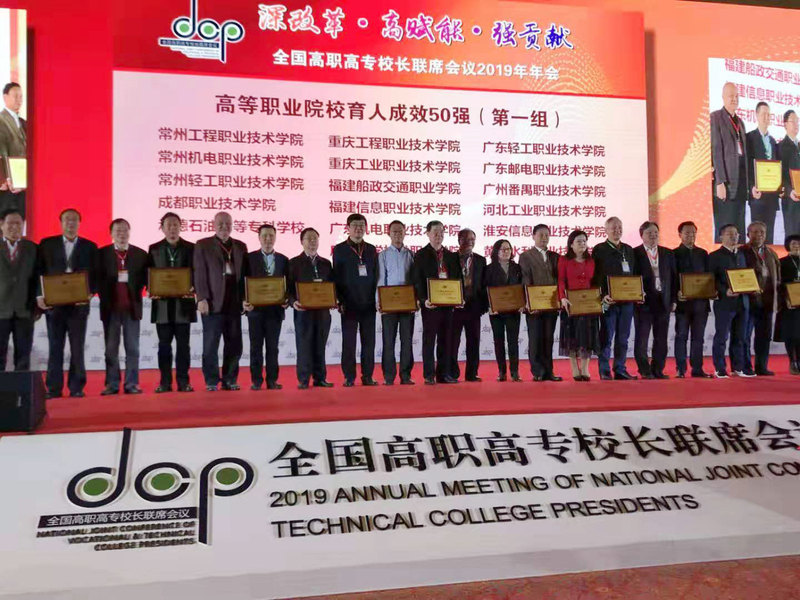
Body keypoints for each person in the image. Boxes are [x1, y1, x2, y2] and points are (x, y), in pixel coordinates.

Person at [36, 209, 98, 399]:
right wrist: (40, 296)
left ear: (80, 223)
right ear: (61, 223)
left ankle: (76, 387)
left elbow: (97, 274)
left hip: (79, 305)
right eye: (67, 220)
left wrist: (90, 292)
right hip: (54, 305)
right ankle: (53, 388)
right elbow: (38, 271)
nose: (71, 223)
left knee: (77, 347)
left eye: (74, 220)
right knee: (55, 347)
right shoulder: (47, 244)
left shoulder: (90, 246)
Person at [194, 211, 248, 391]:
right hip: (212, 302)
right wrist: (201, 298)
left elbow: (245, 276)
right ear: (213, 225)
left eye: (228, 223)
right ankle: (211, 380)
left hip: (234, 303)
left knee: (234, 344)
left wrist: (246, 299)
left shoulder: (240, 246)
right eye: (221, 223)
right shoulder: (203, 245)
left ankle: (229, 379)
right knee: (210, 345)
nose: (224, 227)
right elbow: (199, 273)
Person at [97, 219, 148, 395]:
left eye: (125, 230)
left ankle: (131, 383)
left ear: (129, 232)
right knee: (111, 349)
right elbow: (95, 279)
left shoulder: (140, 255)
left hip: (132, 309)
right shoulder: (101, 254)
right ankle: (112, 384)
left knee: (133, 349)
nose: (122, 234)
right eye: (118, 231)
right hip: (110, 309)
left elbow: (149, 279)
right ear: (111, 233)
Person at [148, 212, 196, 393]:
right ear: (162, 228)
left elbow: (197, 272)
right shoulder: (154, 249)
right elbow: (149, 274)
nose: (172, 228)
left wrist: (194, 286)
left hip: (184, 305)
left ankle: (183, 382)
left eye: (175, 225)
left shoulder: (191, 248)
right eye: (168, 225)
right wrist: (151, 288)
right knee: (164, 346)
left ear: (180, 226)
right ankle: (165, 382)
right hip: (162, 306)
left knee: (184, 347)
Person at [333, 214, 379, 387]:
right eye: (355, 225)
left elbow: (376, 276)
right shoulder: (339, 250)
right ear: (348, 228)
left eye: (362, 225)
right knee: (349, 343)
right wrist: (340, 300)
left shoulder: (371, 249)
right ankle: (349, 376)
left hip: (368, 303)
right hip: (349, 304)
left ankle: (368, 376)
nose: (358, 228)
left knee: (369, 343)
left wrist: (377, 299)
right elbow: (337, 276)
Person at [414, 220, 460, 385]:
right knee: (429, 340)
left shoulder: (451, 255)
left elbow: (457, 279)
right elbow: (417, 280)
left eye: (441, 232)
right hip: (430, 305)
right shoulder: (420, 255)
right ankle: (429, 374)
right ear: (427, 233)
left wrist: (458, 297)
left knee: (445, 339)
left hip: (448, 304)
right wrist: (423, 300)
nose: (438, 235)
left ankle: (443, 374)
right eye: (435, 232)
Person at [287, 227, 335, 389]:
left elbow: (332, 285)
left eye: (315, 238)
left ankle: (320, 378)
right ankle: (303, 378)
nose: (313, 241)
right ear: (302, 242)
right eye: (309, 238)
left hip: (322, 311)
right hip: (303, 311)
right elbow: (288, 288)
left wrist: (334, 299)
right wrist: (293, 302)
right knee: (304, 345)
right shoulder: (294, 263)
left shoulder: (326, 263)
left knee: (320, 345)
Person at [243, 224, 288, 390]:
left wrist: (287, 299)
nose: (268, 239)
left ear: (275, 238)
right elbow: (242, 282)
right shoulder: (249, 258)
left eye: (271, 236)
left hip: (275, 311)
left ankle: (272, 380)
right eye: (264, 236)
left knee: (272, 348)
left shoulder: (283, 259)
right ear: (259, 238)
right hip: (255, 310)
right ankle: (256, 380)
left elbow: (288, 284)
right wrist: (244, 301)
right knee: (255, 347)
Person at [592, 216, 638, 380]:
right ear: (606, 230)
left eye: (619, 227)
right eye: (613, 228)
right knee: (606, 336)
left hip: (627, 301)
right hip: (608, 301)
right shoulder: (599, 249)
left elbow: (634, 274)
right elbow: (596, 276)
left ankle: (620, 368)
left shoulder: (628, 249)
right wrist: (602, 294)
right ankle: (604, 369)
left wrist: (637, 292)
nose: (617, 230)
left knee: (623, 338)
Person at [708, 224, 754, 379]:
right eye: (729, 234)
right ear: (721, 236)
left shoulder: (742, 254)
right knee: (722, 337)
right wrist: (724, 290)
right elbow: (711, 279)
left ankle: (737, 367)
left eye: (736, 233)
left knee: (740, 337)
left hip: (743, 302)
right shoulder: (714, 256)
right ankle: (720, 368)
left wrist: (751, 286)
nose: (734, 236)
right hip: (725, 303)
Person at [632, 222, 676, 379]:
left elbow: (674, 277)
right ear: (641, 235)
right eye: (649, 233)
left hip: (663, 301)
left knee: (661, 338)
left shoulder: (668, 253)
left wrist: (673, 299)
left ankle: (658, 369)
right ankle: (644, 370)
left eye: (655, 232)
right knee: (642, 338)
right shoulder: (634, 253)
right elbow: (631, 277)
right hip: (643, 302)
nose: (653, 235)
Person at [519, 224, 562, 382]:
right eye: (541, 235)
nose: (544, 238)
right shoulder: (526, 256)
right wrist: (529, 302)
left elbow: (559, 279)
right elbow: (525, 279)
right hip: (534, 305)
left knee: (548, 339)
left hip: (551, 304)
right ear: (533, 236)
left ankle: (549, 371)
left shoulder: (555, 256)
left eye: (546, 235)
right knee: (535, 338)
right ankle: (537, 371)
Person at [376, 220, 415, 386]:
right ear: (389, 234)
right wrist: (380, 301)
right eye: (394, 231)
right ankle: (389, 376)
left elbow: (414, 280)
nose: (398, 234)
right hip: (389, 305)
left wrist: (415, 300)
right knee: (388, 341)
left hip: (407, 305)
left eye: (400, 231)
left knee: (407, 341)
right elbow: (380, 280)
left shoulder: (411, 255)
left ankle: (405, 375)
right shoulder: (383, 255)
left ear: (405, 233)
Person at [558, 230, 600, 381]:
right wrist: (562, 298)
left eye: (584, 241)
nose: (582, 244)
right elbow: (561, 280)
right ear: (571, 244)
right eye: (578, 241)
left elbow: (595, 281)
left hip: (588, 304)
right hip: (570, 304)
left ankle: (585, 368)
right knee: (572, 337)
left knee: (587, 337)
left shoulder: (591, 260)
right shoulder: (564, 260)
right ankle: (574, 368)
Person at [673, 221, 712, 378]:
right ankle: (680, 369)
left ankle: (697, 369)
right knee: (681, 336)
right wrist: (676, 293)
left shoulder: (703, 253)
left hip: (701, 304)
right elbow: (670, 278)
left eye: (693, 232)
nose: (691, 235)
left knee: (698, 338)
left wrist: (711, 291)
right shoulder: (673, 254)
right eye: (687, 232)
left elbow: (709, 277)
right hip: (683, 303)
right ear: (680, 235)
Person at [711, 82, 749, 242]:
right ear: (723, 97)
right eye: (730, 96)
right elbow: (716, 150)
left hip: (740, 184)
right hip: (725, 185)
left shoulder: (740, 122)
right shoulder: (715, 117)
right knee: (725, 229)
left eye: (736, 96)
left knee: (739, 229)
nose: (734, 99)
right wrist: (719, 182)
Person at [741, 221, 780, 376]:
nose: (759, 235)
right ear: (748, 234)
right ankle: (745, 367)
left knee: (764, 336)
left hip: (767, 301)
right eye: (755, 232)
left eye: (762, 232)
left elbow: (778, 277)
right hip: (748, 301)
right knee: (745, 336)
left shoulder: (771, 253)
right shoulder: (742, 251)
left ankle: (761, 366)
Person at [0, 209, 36, 371]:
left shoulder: (33, 248)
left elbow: (38, 278)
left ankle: (22, 387)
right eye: (10, 223)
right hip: (1, 309)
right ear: (1, 225)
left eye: (18, 223)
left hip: (25, 310)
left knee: (23, 356)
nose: (14, 227)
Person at [449, 228, 487, 382]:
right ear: (459, 240)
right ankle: (452, 373)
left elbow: (483, 285)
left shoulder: (481, 260)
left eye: (472, 239)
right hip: (455, 306)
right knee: (453, 342)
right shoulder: (450, 258)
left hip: (473, 306)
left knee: (474, 341)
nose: (470, 242)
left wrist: (483, 306)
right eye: (466, 239)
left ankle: (472, 373)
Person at [484, 239, 523, 382]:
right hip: (496, 312)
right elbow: (484, 289)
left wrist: (522, 303)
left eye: (508, 249)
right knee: (498, 341)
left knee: (513, 342)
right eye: (502, 249)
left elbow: (522, 287)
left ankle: (515, 372)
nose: (506, 252)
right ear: (496, 251)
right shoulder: (489, 269)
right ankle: (502, 371)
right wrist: (489, 306)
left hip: (513, 310)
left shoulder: (517, 268)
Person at [746, 102, 780, 244]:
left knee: (769, 235)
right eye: (763, 114)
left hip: (772, 196)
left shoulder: (773, 141)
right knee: (756, 234)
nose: (766, 117)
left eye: (768, 114)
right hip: (757, 195)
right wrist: (751, 187)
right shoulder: (749, 138)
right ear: (756, 115)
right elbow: (746, 166)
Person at [774, 234, 800, 375]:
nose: (797, 246)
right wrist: (786, 299)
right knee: (791, 334)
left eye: (799, 244)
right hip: (788, 304)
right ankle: (792, 361)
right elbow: (778, 284)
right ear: (788, 245)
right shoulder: (781, 262)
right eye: (794, 243)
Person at [0, 83, 26, 219]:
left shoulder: (23, 122)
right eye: (16, 96)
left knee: (22, 218)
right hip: (8, 183)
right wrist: (7, 178)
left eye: (21, 96)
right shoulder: (1, 120)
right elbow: (2, 150)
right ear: (5, 97)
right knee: (6, 219)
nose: (19, 99)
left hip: (22, 181)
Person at [779, 110, 800, 238]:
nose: (796, 124)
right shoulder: (780, 147)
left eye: (797, 121)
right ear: (785, 124)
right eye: (793, 121)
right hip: (791, 200)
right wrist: (789, 190)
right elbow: (779, 175)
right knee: (793, 238)